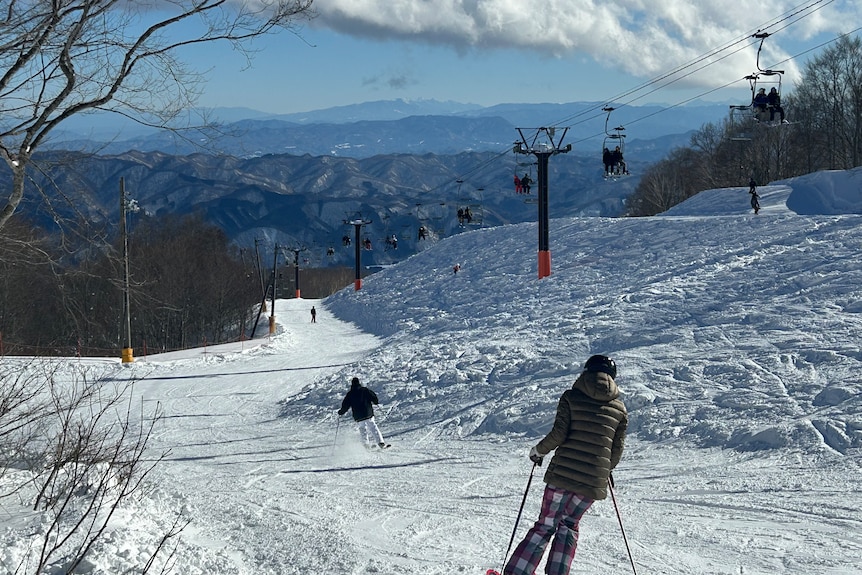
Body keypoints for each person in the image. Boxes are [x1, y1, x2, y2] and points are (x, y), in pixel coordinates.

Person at [503, 355, 628, 575]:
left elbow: (559, 433)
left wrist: (538, 451)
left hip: (562, 475)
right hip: (592, 482)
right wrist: (606, 470)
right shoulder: (620, 410)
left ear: (586, 372)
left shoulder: (572, 397)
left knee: (546, 524)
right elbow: (615, 452)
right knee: (568, 526)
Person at [337, 377, 389, 449]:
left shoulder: (350, 394)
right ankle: (381, 443)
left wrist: (341, 412)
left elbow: (345, 405)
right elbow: (373, 396)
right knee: (373, 427)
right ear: (359, 383)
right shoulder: (364, 390)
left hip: (358, 416)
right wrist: (375, 401)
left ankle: (366, 445)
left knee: (362, 429)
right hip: (368, 413)